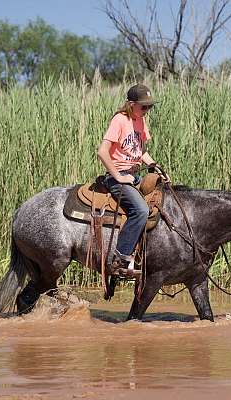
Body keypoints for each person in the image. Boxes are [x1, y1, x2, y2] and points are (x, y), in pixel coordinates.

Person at [96, 83, 165, 279]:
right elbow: (102, 152)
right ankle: (120, 260)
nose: (147, 110)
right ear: (131, 104)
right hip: (117, 176)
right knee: (141, 210)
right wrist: (117, 176)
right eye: (144, 106)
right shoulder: (120, 120)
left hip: (134, 175)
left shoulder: (140, 121)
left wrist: (155, 166)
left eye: (149, 106)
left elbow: (140, 151)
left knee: (162, 199)